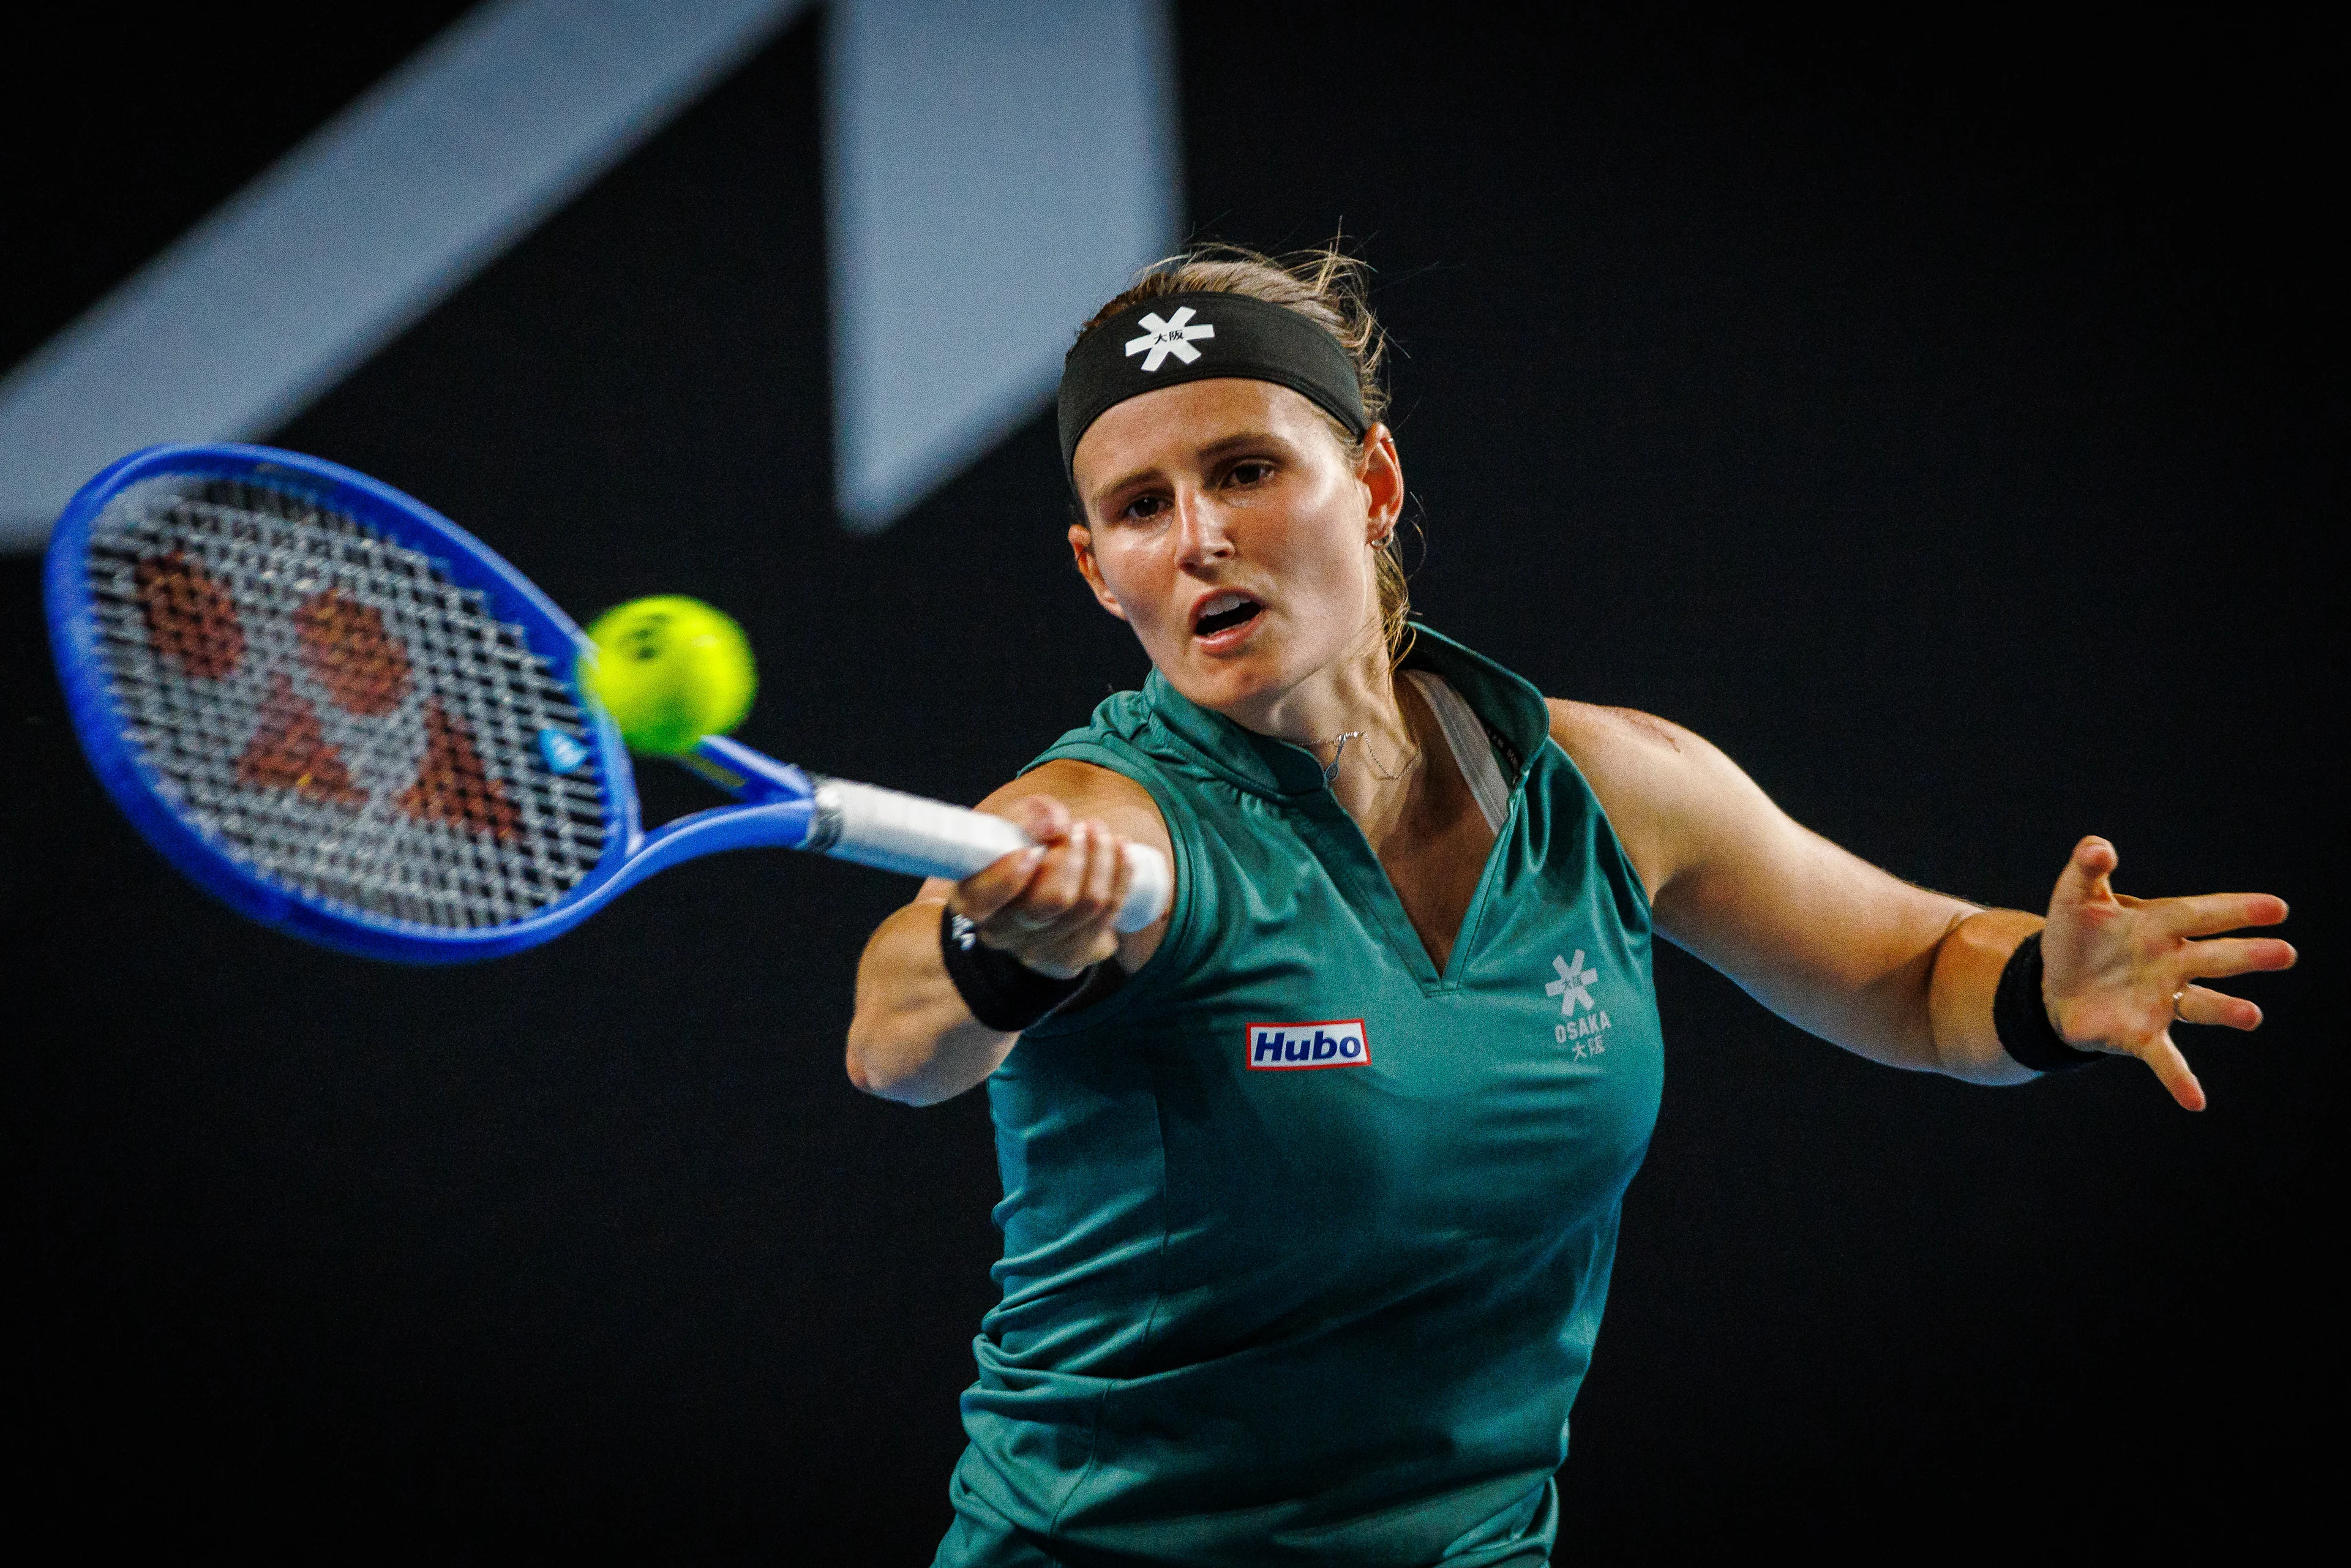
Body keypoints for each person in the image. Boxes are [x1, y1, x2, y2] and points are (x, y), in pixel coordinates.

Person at [845, 246, 2296, 1567]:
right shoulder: (1104, 817)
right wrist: (994, 953)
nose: (1200, 537)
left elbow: (1912, 970)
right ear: (1101, 571)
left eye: (1245, 470)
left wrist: (2046, 984)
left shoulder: (1607, 783)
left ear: (1375, 481)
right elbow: (895, 1032)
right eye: (1141, 509)